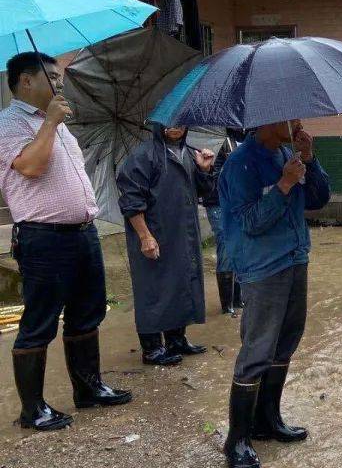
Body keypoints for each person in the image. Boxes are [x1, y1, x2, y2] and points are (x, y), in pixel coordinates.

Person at [0, 52, 131, 431]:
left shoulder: (57, 122)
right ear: (26, 81)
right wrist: (52, 122)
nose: (60, 84)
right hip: (44, 238)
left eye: (60, 77)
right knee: (39, 321)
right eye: (52, 77)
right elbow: (31, 166)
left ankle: (89, 389)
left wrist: (55, 122)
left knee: (88, 312)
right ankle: (33, 409)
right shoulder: (10, 123)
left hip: (82, 233)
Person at [217, 120, 330, 468]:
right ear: (266, 119)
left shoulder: (287, 152)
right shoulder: (241, 164)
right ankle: (237, 439)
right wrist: (282, 185)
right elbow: (249, 222)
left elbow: (318, 199)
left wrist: (309, 161)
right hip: (263, 265)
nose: (298, 124)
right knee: (258, 348)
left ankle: (268, 420)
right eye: (291, 117)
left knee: (286, 342)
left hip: (295, 257)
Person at [116, 123, 216, 366]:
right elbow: (131, 200)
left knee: (181, 282)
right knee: (153, 288)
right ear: (158, 125)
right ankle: (151, 348)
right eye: (169, 122)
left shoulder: (191, 154)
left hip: (182, 232)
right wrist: (145, 236)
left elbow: (205, 192)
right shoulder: (144, 156)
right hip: (155, 234)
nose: (175, 128)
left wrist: (204, 170)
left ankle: (176, 339)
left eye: (180, 122)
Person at [204, 129, 245, 315]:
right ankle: (226, 305)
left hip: (236, 203)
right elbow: (214, 177)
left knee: (238, 248)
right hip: (218, 203)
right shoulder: (220, 143)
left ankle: (237, 299)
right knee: (227, 247)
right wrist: (230, 164)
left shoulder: (241, 142)